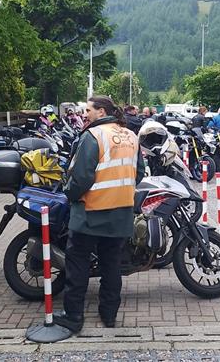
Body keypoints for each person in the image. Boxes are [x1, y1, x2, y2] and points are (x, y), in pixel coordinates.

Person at [54, 95, 145, 333]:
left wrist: (69, 194)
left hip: (90, 214)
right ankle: (109, 314)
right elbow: (140, 172)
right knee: (112, 266)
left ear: (101, 111)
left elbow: (81, 176)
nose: (85, 114)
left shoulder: (93, 136)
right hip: (121, 213)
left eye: (88, 110)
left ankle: (73, 317)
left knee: (78, 265)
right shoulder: (131, 135)